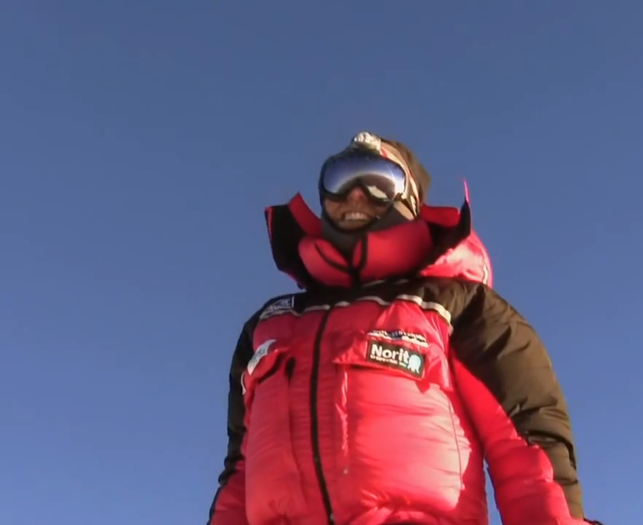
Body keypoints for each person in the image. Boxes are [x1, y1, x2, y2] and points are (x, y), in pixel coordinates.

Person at [207, 131, 602, 525]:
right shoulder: (270, 325)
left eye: (379, 181)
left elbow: (528, 450)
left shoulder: (458, 306)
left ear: (409, 199)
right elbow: (240, 472)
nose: (356, 195)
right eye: (340, 179)